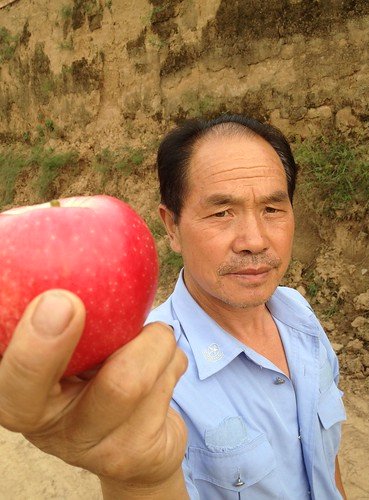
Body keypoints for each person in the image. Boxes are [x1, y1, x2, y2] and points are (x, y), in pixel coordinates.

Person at [0, 115, 347, 499]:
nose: (255, 240)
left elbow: (326, 467)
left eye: (272, 210)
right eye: (221, 212)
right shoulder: (151, 376)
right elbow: (145, 473)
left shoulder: (299, 313)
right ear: (172, 227)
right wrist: (139, 482)